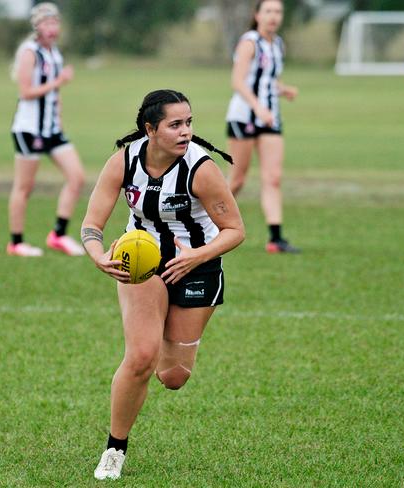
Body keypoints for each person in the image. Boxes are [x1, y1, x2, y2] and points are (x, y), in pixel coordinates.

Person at [81, 89, 245, 480]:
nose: (185, 131)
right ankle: (114, 450)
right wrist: (98, 255)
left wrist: (195, 256)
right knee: (140, 357)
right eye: (175, 124)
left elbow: (235, 230)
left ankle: (173, 343)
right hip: (142, 262)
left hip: (196, 265)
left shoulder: (201, 169)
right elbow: (91, 224)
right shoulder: (124, 160)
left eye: (189, 123)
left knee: (173, 377)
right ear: (150, 129)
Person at [7, 2, 86, 257]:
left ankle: (58, 234)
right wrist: (58, 81)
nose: (51, 28)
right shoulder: (30, 52)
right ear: (36, 26)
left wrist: (59, 114)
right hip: (29, 129)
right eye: (46, 23)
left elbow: (55, 95)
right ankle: (16, 242)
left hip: (52, 130)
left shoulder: (55, 53)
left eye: (55, 23)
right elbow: (26, 92)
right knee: (24, 187)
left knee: (77, 177)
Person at [226, 0, 299, 253]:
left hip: (270, 118)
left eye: (278, 12)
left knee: (273, 178)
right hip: (244, 116)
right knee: (237, 180)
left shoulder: (277, 44)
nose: (273, 16)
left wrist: (284, 89)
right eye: (268, 11)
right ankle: (205, 225)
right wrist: (257, 107)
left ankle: (275, 238)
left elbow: (266, 80)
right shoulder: (250, 42)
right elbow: (238, 80)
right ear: (257, 15)